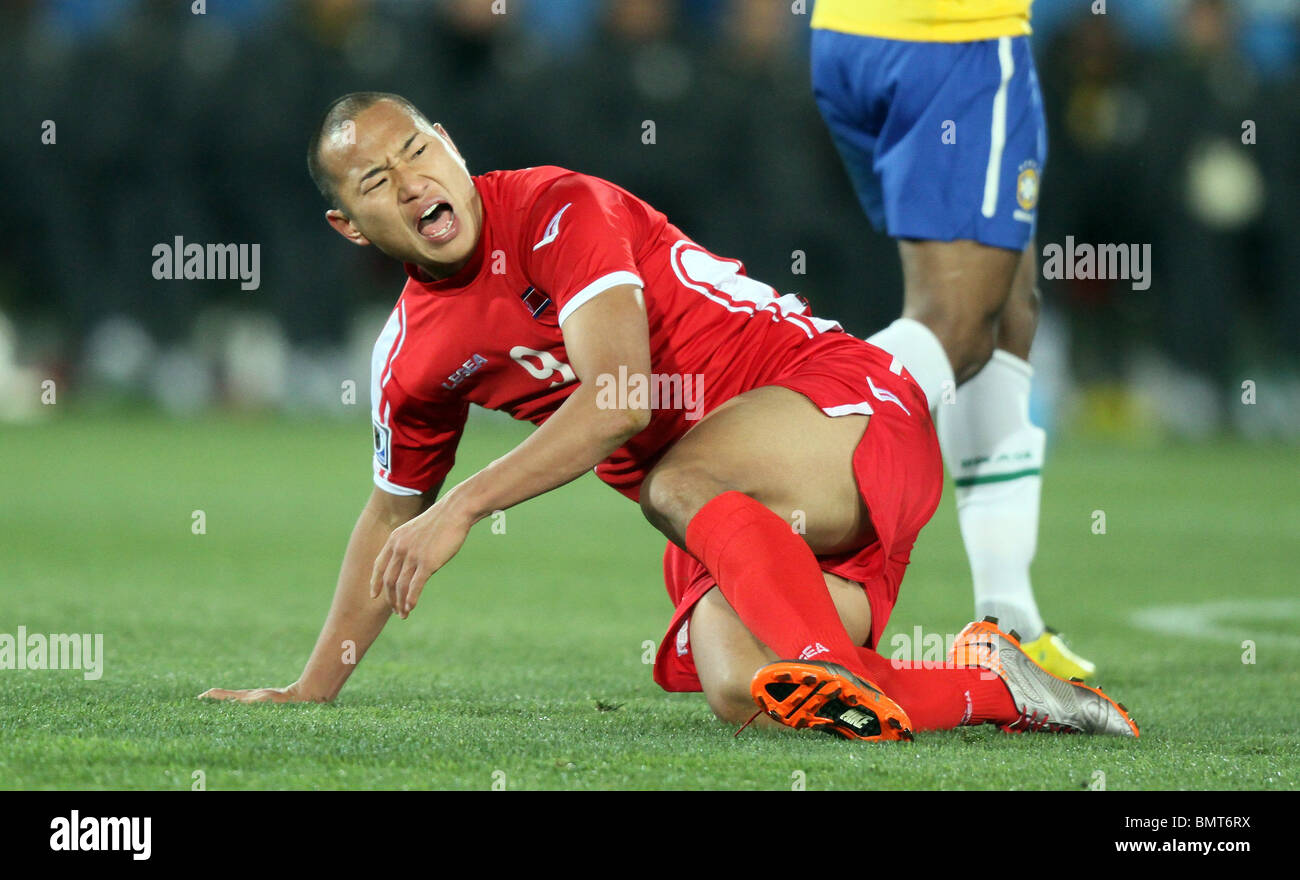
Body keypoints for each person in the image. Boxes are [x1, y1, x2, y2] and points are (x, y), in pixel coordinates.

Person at [199, 93, 1136, 741]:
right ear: (352, 228)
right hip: (747, 518)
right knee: (748, 692)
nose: (408, 183)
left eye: (415, 151)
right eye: (374, 184)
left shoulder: (562, 209)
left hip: (844, 408)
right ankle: (1007, 692)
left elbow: (620, 399)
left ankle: (846, 661)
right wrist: (308, 691)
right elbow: (390, 515)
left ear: (448, 143)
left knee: (677, 477)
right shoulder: (412, 358)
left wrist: (469, 504)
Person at [809, 0, 1097, 679]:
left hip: (853, 36)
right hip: (953, 38)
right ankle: (756, 454)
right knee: (958, 326)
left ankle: (1009, 620)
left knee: (1007, 308)